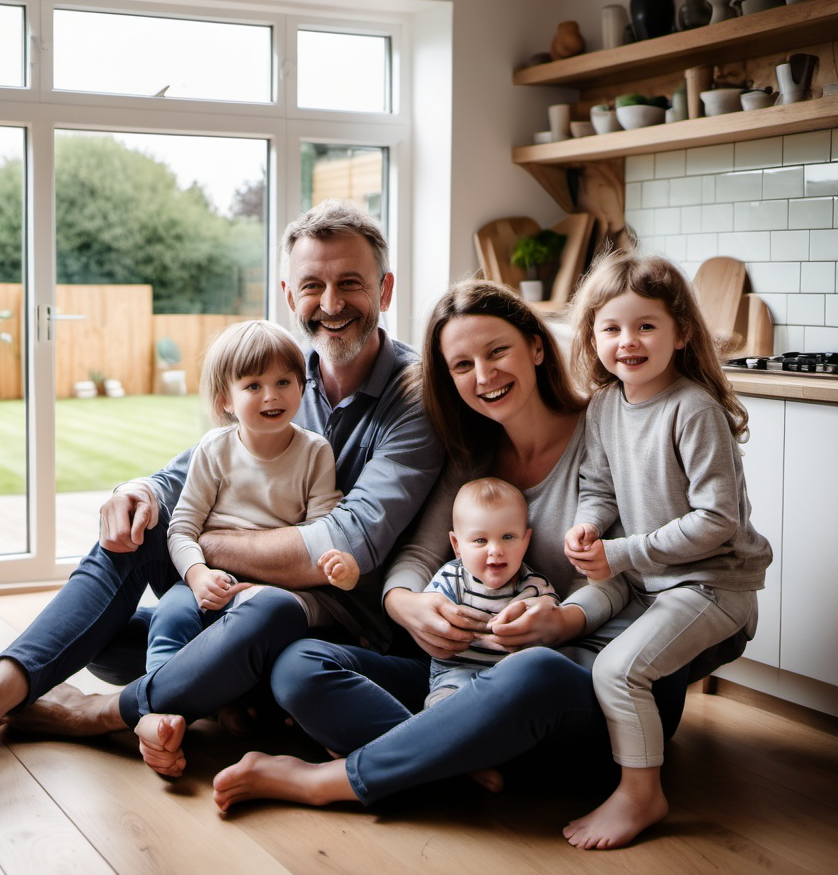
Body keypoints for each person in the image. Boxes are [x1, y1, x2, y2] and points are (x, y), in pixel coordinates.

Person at [0, 200, 444, 779]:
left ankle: (80, 713)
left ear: (384, 290)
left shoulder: (417, 395)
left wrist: (199, 539)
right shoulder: (285, 373)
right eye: (312, 285)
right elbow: (195, 467)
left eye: (351, 283)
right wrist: (144, 489)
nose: (330, 303)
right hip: (238, 599)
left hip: (329, 626)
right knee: (108, 628)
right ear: (290, 295)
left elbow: (345, 544)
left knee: (188, 618)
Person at [211, 279, 746, 826]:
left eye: (497, 352)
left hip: (598, 688)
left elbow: (628, 571)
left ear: (536, 348)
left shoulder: (608, 425)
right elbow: (416, 559)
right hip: (470, 672)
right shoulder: (471, 457)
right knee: (299, 666)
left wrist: (563, 621)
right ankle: (454, 756)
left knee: (530, 672)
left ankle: (333, 781)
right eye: (461, 365)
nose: (484, 377)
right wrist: (407, 606)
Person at [559, 251, 772, 850]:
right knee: (570, 613)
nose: (628, 341)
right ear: (593, 335)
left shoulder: (693, 409)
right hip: (656, 576)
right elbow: (598, 486)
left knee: (618, 669)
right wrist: (587, 525)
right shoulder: (605, 405)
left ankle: (641, 794)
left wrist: (622, 552)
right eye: (612, 327)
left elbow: (716, 522)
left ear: (679, 333)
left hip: (713, 583)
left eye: (646, 326)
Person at [144, 318, 352, 685]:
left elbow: (321, 532)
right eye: (253, 385)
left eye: (283, 382)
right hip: (215, 578)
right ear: (226, 399)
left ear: (301, 387)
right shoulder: (214, 449)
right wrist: (197, 575)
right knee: (172, 613)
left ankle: (230, 702)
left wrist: (337, 567)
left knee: (268, 630)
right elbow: (182, 528)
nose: (271, 396)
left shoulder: (315, 452)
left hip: (281, 584)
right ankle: (156, 698)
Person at [424, 476, 556, 708]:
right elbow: (428, 619)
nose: (495, 550)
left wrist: (542, 616)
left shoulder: (534, 587)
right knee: (446, 703)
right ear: (457, 546)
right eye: (480, 540)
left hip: (509, 677)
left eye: (508, 537)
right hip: (456, 670)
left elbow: (552, 620)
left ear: (526, 541)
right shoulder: (450, 580)